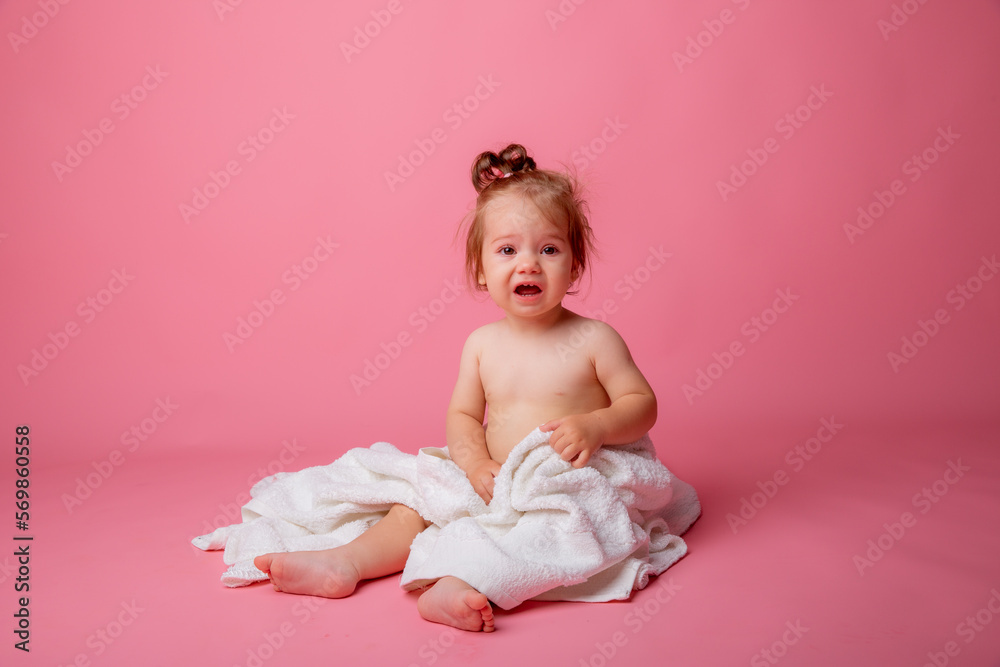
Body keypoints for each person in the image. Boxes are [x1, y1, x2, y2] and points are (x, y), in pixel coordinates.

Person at [253, 143, 658, 633]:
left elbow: (642, 405)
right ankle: (345, 563)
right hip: (492, 474)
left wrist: (595, 425)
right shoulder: (482, 345)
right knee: (418, 503)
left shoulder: (594, 338)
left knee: (552, 527)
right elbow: (465, 417)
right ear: (482, 272)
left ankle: (460, 584)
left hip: (560, 478)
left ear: (574, 266)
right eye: (507, 250)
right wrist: (474, 463)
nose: (528, 264)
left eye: (548, 249)